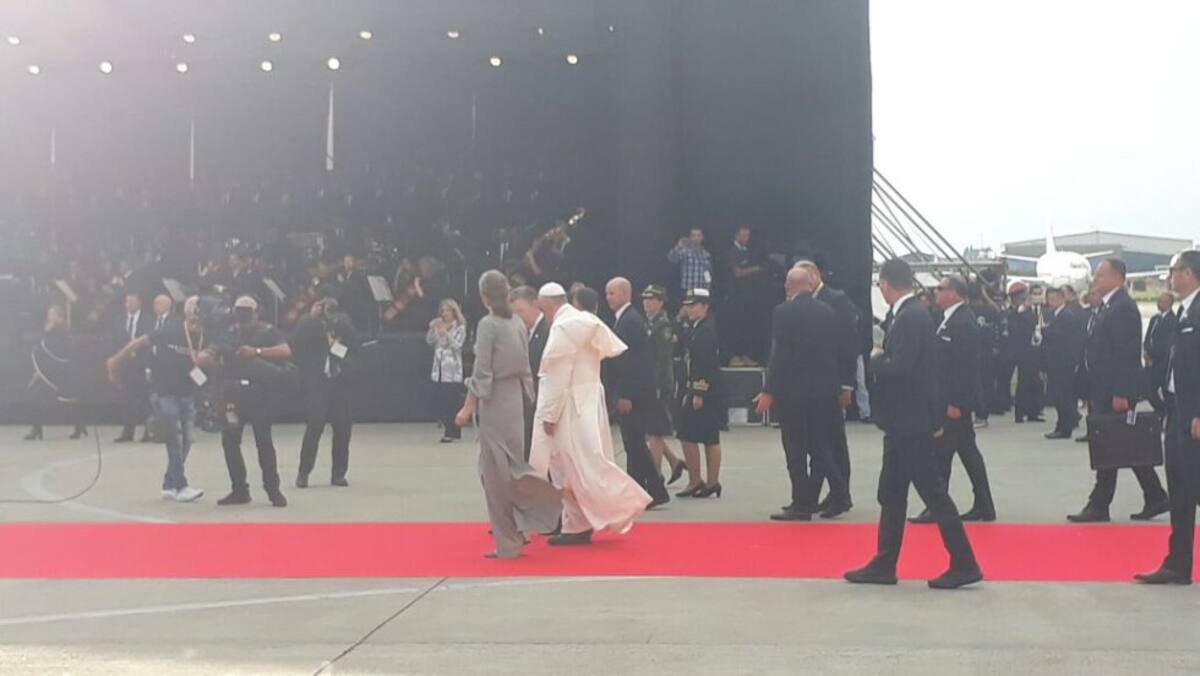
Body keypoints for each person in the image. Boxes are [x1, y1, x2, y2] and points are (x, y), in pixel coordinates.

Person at [844, 259, 982, 590]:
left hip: (910, 423)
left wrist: (876, 362)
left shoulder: (910, 317)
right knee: (892, 494)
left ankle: (964, 562)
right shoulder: (911, 315)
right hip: (903, 422)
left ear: (886, 284)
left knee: (934, 494)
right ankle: (884, 562)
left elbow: (903, 367)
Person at [529, 283, 652, 545]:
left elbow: (556, 376)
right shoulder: (585, 321)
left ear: (547, 305)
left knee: (571, 466)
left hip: (569, 407)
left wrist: (549, 415)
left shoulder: (564, 328)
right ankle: (577, 524)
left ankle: (611, 508)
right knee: (582, 464)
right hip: (587, 403)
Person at [455, 271, 561, 559]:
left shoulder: (488, 325)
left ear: (484, 297)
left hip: (495, 400)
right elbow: (525, 366)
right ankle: (523, 525)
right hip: (516, 400)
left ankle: (509, 540)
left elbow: (482, 372)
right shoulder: (516, 323)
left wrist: (468, 406)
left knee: (494, 474)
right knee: (513, 467)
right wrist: (530, 397)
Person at [1068, 259, 1169, 522]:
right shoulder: (1107, 306)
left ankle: (1100, 503)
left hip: (1115, 390)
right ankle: (1155, 495)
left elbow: (1126, 354)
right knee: (1122, 443)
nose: (1095, 279)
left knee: (1111, 443)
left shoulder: (1123, 307)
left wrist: (1122, 392)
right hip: (1102, 388)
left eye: (1100, 275)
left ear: (1117, 277)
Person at [756, 267, 848, 520]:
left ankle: (802, 503)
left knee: (795, 449)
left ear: (789, 285)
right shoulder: (827, 311)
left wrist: (768, 390)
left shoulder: (783, 312)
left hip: (794, 392)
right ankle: (839, 493)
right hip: (824, 391)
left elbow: (780, 355)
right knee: (820, 447)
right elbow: (836, 351)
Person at [910, 275, 996, 523]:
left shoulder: (963, 322)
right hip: (946, 398)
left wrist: (958, 402)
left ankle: (938, 506)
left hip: (954, 401)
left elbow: (965, 367)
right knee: (966, 452)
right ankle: (983, 504)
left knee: (942, 455)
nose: (936, 292)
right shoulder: (948, 319)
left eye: (941, 288)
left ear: (955, 293)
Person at [1136, 251, 1200, 585]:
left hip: (1193, 414)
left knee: (1192, 484)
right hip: (1177, 410)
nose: (1169, 277)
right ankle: (1178, 562)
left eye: (1173, 271)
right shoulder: (1183, 311)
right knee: (1180, 488)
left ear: (1188, 273)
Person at [106, 296, 206, 502]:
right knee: (174, 438)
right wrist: (116, 359)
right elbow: (139, 342)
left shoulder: (204, 334)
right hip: (165, 391)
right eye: (195, 311)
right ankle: (181, 485)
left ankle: (169, 484)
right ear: (187, 312)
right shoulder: (170, 329)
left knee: (187, 440)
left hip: (187, 392)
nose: (198, 316)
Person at [213, 296, 292, 508]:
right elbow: (216, 352)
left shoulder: (268, 331)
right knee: (230, 442)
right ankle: (239, 489)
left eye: (247, 311)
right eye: (239, 311)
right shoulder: (230, 332)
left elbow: (285, 350)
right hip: (233, 394)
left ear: (257, 312)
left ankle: (273, 490)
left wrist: (257, 352)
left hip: (259, 394)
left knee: (263, 442)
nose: (243, 316)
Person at [799, 259, 858, 514]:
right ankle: (818, 494)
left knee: (834, 442)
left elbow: (848, 344)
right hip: (813, 384)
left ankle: (840, 494)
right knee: (819, 441)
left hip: (832, 382)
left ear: (814, 275)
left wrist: (847, 384)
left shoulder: (837, 300)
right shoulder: (804, 302)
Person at [605, 277, 670, 508]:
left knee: (635, 443)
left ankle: (651, 489)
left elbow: (633, 362)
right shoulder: (625, 318)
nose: (608, 298)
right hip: (634, 389)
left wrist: (625, 394)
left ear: (625, 293)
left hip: (634, 392)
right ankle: (642, 489)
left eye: (612, 293)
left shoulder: (629, 321)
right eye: (607, 293)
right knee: (633, 443)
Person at [292, 297, 360, 488]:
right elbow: (296, 341)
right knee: (314, 426)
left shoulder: (344, 323)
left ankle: (338, 473)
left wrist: (334, 343)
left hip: (340, 382)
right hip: (318, 382)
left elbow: (353, 349)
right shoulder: (308, 324)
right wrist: (311, 317)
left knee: (342, 429)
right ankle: (304, 472)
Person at [674, 288, 725, 498]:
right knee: (702, 436)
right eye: (687, 305)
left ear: (705, 307)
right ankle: (706, 481)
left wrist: (698, 392)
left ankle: (701, 481)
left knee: (693, 435)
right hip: (699, 387)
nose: (689, 309)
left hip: (704, 390)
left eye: (693, 305)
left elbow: (705, 364)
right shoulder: (697, 327)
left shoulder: (706, 331)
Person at [642, 285, 687, 485]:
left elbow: (662, 359)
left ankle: (655, 477)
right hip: (650, 381)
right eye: (645, 299)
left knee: (655, 430)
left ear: (661, 302)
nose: (647, 302)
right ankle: (674, 461)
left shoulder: (663, 326)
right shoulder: (650, 323)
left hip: (659, 383)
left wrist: (657, 385)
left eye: (652, 299)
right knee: (654, 429)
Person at [25, 304, 88, 441]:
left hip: (61, 373)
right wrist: (39, 371)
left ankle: (79, 425)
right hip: (47, 373)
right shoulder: (47, 331)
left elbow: (59, 352)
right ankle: (36, 428)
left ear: (60, 317)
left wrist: (47, 334)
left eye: (52, 314)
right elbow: (40, 349)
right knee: (34, 394)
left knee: (67, 401)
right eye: (49, 314)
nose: (50, 317)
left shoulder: (64, 333)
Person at [1041, 286, 1087, 439]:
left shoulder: (1067, 315)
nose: (1051, 302)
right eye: (1049, 299)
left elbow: (1063, 337)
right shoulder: (1054, 314)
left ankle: (1064, 426)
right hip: (1055, 362)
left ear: (1062, 298)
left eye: (1054, 299)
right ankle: (1063, 424)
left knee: (1063, 396)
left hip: (1063, 362)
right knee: (1059, 396)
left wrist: (1045, 331)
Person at [510, 285, 549, 461]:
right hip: (526, 401)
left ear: (535, 305)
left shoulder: (548, 329)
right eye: (514, 313)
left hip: (541, 399)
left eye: (521, 311)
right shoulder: (525, 332)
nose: (518, 317)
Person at [723, 226, 769, 366]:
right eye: (743, 235)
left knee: (746, 327)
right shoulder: (732, 252)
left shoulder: (747, 251)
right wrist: (755, 269)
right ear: (736, 235)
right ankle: (733, 356)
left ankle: (745, 355)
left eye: (747, 236)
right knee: (735, 327)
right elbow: (737, 273)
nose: (746, 239)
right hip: (734, 296)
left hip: (746, 297)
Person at [113, 292, 153, 443]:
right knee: (127, 399)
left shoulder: (148, 320)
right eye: (127, 301)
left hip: (142, 365)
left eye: (132, 301)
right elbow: (115, 341)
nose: (128, 304)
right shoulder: (119, 320)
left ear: (139, 303)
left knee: (145, 399)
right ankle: (128, 432)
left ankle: (149, 431)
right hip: (125, 365)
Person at [427, 299, 468, 443]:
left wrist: (446, 333)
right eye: (443, 310)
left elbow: (457, 345)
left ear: (454, 311)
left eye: (448, 310)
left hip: (452, 370)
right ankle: (447, 427)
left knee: (452, 402)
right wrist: (432, 329)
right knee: (441, 401)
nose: (445, 313)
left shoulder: (460, 327)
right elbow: (430, 341)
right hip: (438, 369)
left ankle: (453, 432)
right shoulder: (439, 325)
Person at [1007, 285, 1044, 423]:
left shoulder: (1041, 309)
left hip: (1038, 350)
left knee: (1036, 382)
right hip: (1024, 351)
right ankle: (1020, 413)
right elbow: (1016, 329)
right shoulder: (1017, 312)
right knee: (1023, 382)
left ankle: (1033, 411)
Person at [1144, 292, 1178, 420]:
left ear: (1169, 303)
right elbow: (1148, 337)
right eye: (1159, 300)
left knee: (1156, 391)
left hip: (1161, 362)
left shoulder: (1173, 321)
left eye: (1162, 301)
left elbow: (1166, 344)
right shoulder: (1155, 319)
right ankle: (1161, 412)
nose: (1159, 303)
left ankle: (1164, 412)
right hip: (1150, 361)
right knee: (1147, 390)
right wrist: (1146, 352)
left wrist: (1153, 356)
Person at [667, 228, 714, 296]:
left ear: (702, 237)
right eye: (693, 235)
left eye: (698, 235)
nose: (696, 238)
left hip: (700, 290)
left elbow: (707, 273)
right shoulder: (684, 251)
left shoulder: (706, 254)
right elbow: (671, 258)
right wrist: (679, 246)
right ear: (690, 237)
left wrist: (708, 285)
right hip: (686, 289)